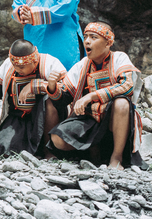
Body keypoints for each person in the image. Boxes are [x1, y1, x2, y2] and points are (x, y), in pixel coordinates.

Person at [48, 22, 145, 169]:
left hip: (114, 121)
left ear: (108, 43)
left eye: (93, 37)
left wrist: (91, 96)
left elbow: (127, 86)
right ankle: (94, 150)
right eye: (86, 37)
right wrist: (52, 86)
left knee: (122, 103)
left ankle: (116, 157)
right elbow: (63, 98)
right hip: (90, 120)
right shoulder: (81, 65)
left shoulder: (119, 58)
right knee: (57, 139)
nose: (87, 41)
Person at [0, 39, 66, 156]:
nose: (18, 69)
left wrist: (36, 85)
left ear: (34, 60)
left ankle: (49, 151)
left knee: (50, 102)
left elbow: (65, 92)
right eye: (15, 65)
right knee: (4, 149)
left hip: (44, 117)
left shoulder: (50, 64)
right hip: (18, 118)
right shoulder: (9, 65)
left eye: (22, 67)